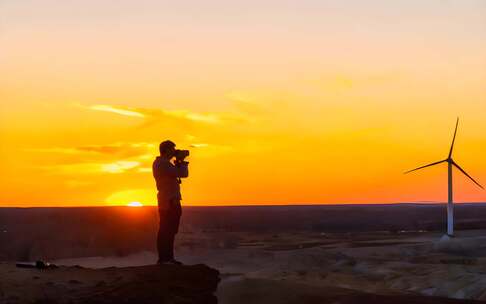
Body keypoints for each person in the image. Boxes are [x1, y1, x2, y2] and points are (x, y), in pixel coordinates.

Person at [152, 140, 189, 265]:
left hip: (169, 200)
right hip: (169, 202)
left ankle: (167, 258)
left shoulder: (163, 163)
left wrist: (178, 161)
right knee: (166, 230)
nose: (175, 151)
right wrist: (181, 161)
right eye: (173, 149)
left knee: (169, 230)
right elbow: (183, 174)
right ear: (166, 150)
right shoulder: (162, 164)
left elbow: (178, 174)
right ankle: (165, 259)